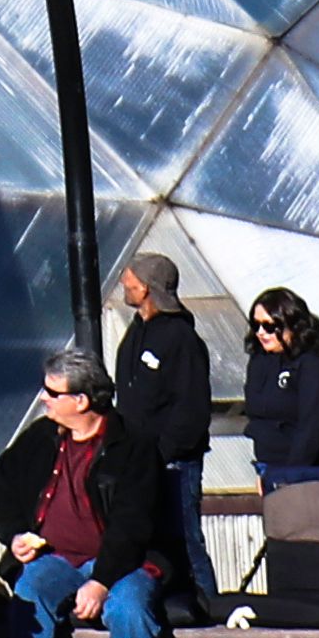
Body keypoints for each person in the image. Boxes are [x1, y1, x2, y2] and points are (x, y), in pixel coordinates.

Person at [0, 351, 185, 638]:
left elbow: (136, 523)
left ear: (81, 401)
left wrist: (101, 581)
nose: (43, 400)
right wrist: (15, 535)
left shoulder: (132, 445)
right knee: (28, 599)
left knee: (129, 609)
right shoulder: (41, 439)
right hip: (58, 558)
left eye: (52, 393)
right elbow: (2, 483)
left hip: (122, 560)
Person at [115, 256, 220, 607]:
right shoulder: (136, 332)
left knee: (185, 536)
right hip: (139, 460)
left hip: (173, 463)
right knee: (148, 537)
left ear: (145, 287)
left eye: (130, 278)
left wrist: (165, 452)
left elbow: (191, 407)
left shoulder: (179, 338)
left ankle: (206, 603)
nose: (124, 283)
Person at [245, 289, 319, 488]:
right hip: (271, 468)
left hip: (312, 473)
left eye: (269, 326)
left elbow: (312, 427)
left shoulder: (312, 364)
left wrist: (290, 476)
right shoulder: (260, 361)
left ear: (291, 326)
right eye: (255, 324)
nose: (260, 332)